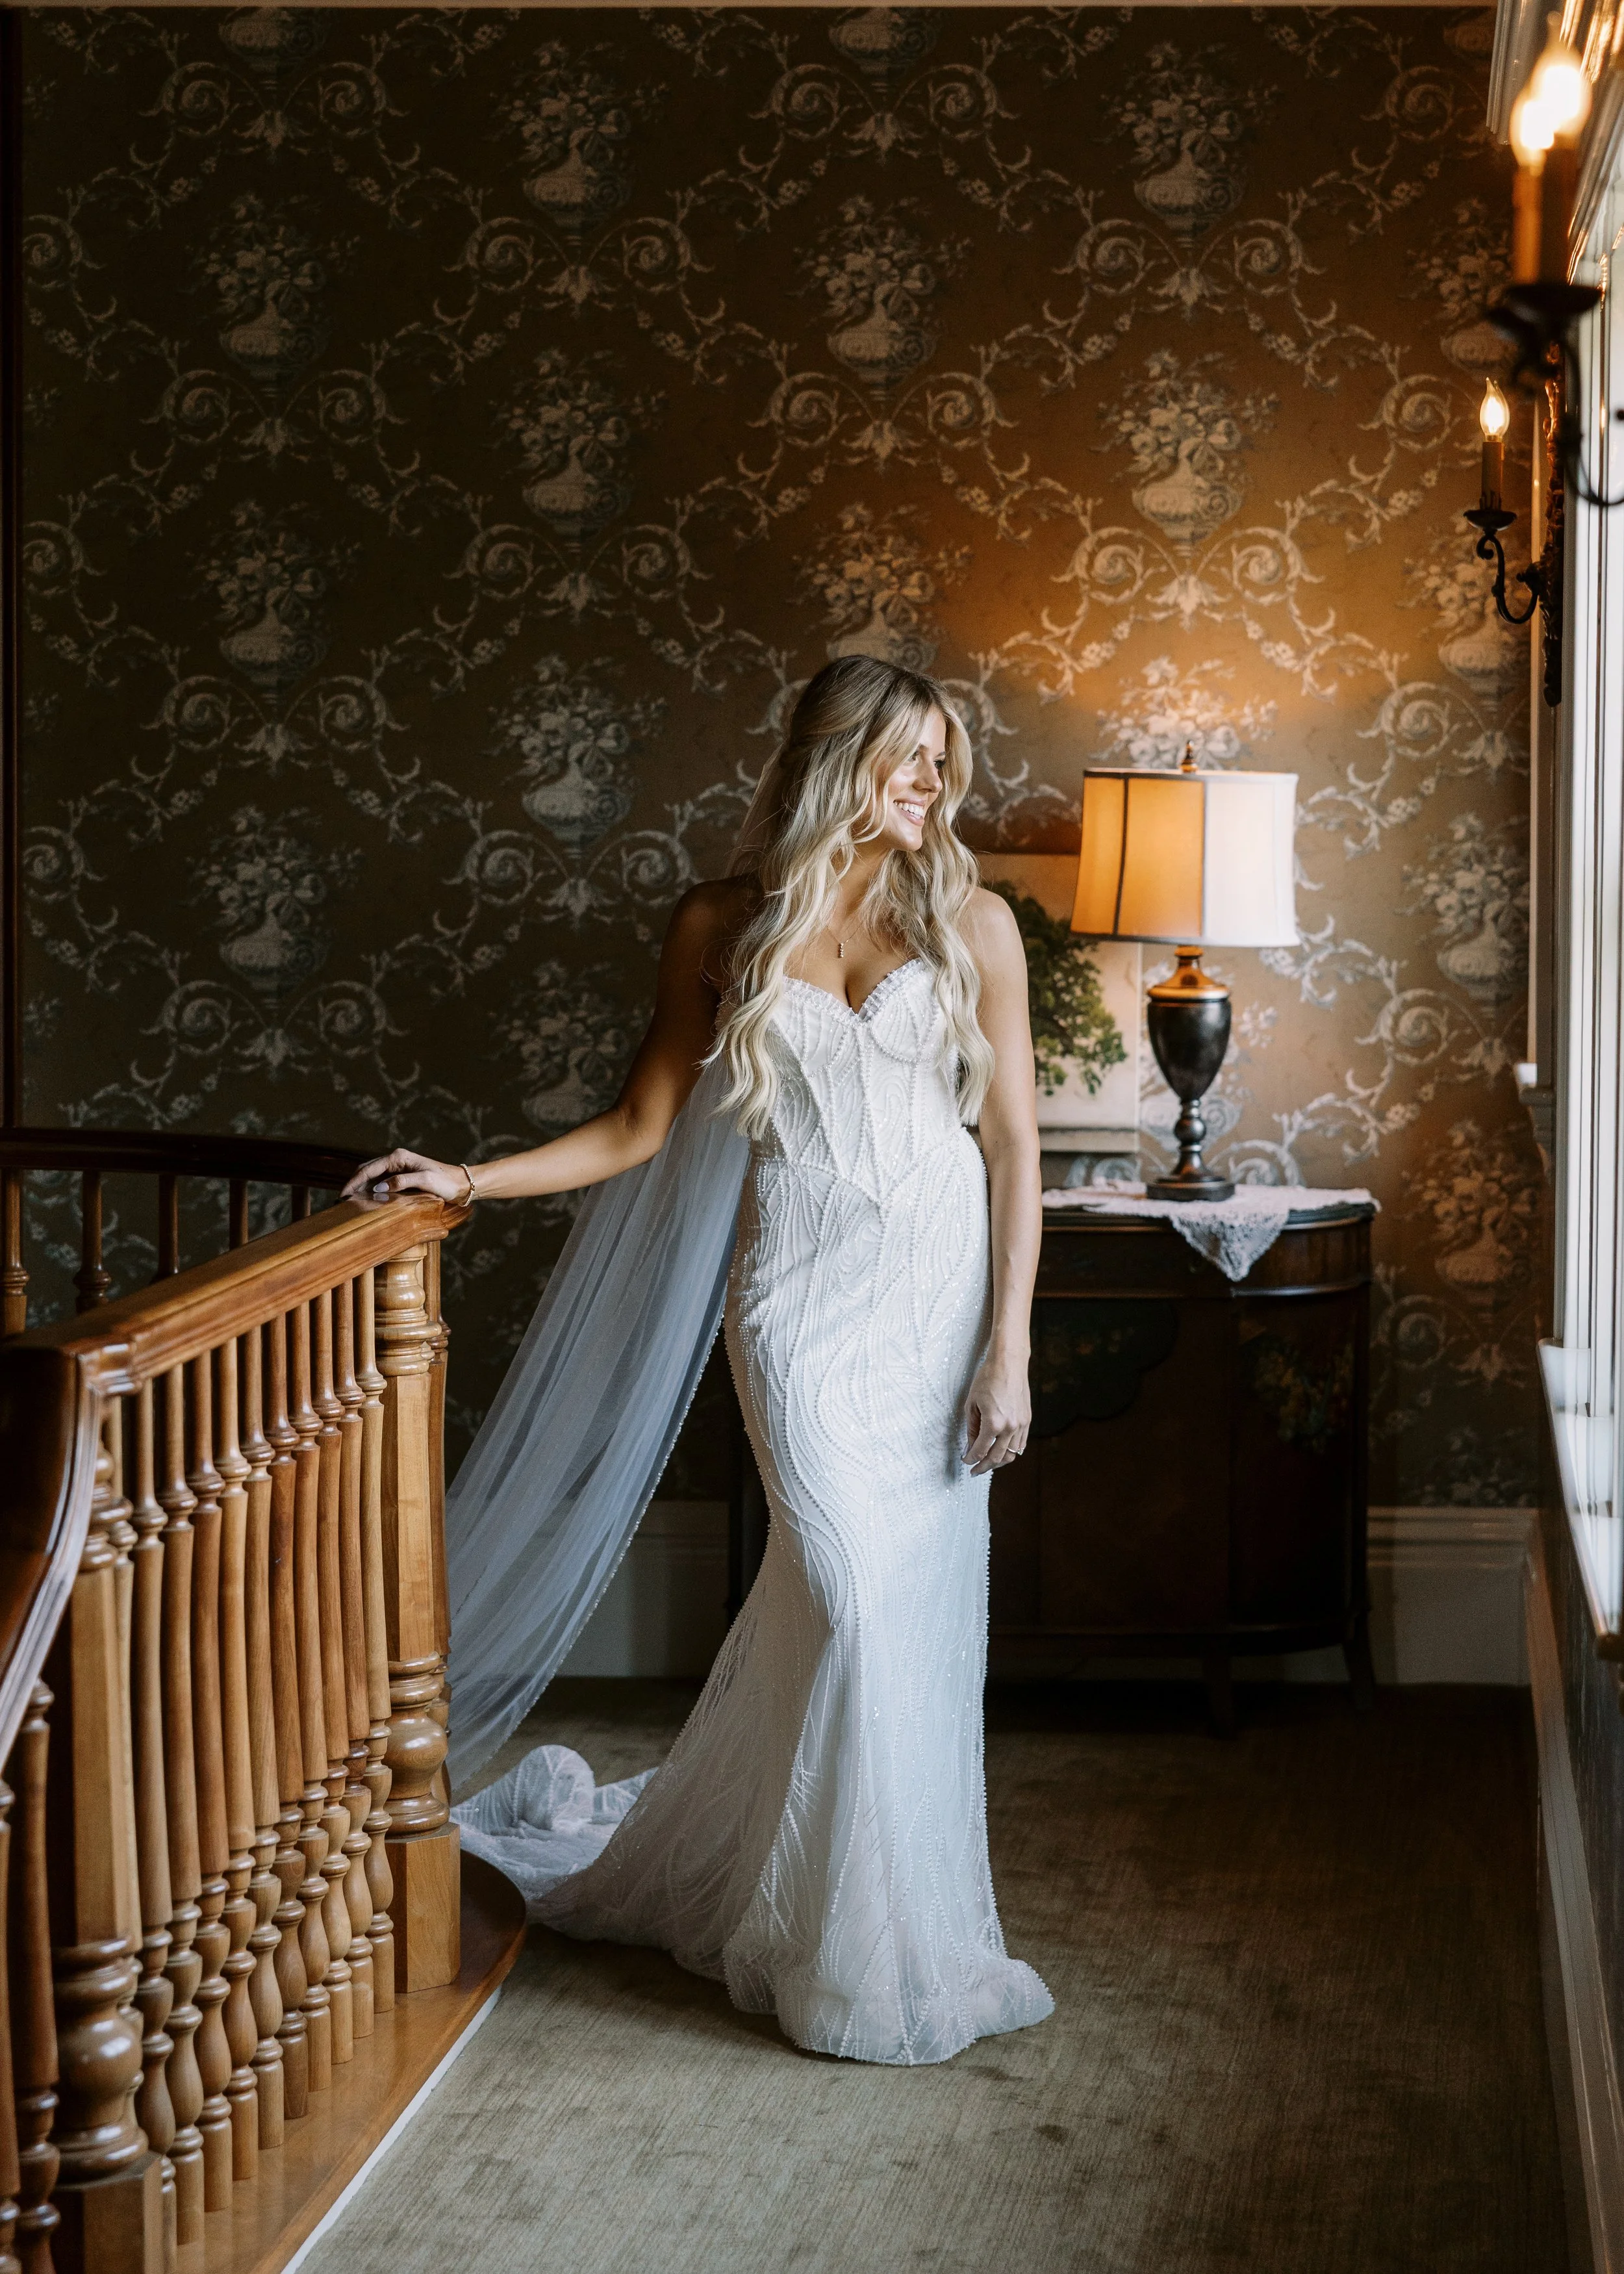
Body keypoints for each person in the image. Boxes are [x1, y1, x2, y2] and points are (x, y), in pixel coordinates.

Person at [344, 654, 1054, 2065]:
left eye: (940, 763)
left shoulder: (974, 921)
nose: (934, 786)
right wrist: (467, 1180)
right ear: (835, 760)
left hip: (933, 1305)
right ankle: (823, 1941)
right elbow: (636, 1126)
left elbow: (1017, 1149)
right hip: (794, 1300)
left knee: (895, 1629)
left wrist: (1007, 1350)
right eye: (907, 760)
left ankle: (869, 1932)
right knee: (846, 1602)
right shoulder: (718, 926)